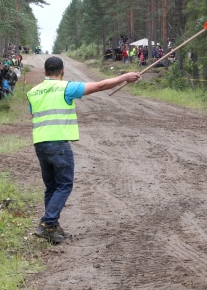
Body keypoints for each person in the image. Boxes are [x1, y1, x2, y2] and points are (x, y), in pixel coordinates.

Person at [27, 56, 140, 244]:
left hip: (40, 143)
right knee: (64, 186)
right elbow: (101, 85)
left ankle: (52, 228)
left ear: (45, 72)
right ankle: (46, 223)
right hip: (59, 143)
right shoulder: (66, 87)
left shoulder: (32, 92)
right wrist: (124, 77)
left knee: (52, 187)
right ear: (62, 71)